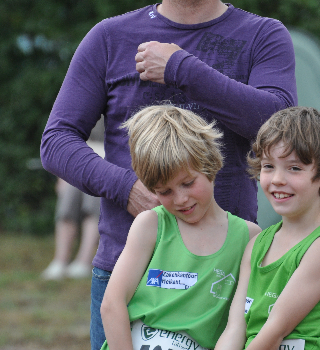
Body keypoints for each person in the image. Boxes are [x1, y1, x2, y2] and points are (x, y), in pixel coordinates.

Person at [40, 1, 297, 348]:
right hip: (128, 270)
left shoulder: (262, 34)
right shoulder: (109, 37)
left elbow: (281, 128)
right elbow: (56, 141)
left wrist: (182, 69)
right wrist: (126, 187)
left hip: (227, 272)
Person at [99, 105, 261, 350]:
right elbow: (112, 304)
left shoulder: (249, 236)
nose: (181, 199)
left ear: (210, 165)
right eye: (165, 191)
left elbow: (242, 324)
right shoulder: (151, 224)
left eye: (187, 183)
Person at [215, 107, 320, 350]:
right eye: (268, 166)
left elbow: (274, 331)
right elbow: (235, 328)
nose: (278, 179)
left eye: (294, 168)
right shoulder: (257, 244)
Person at [41, 120, 105, 280]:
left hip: (108, 162)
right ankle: (60, 261)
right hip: (80, 160)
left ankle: (84, 260)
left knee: (93, 204)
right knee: (67, 202)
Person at [40, 178, 100, 280]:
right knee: (68, 192)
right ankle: (60, 261)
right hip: (81, 170)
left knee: (93, 199)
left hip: (107, 171)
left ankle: (84, 261)